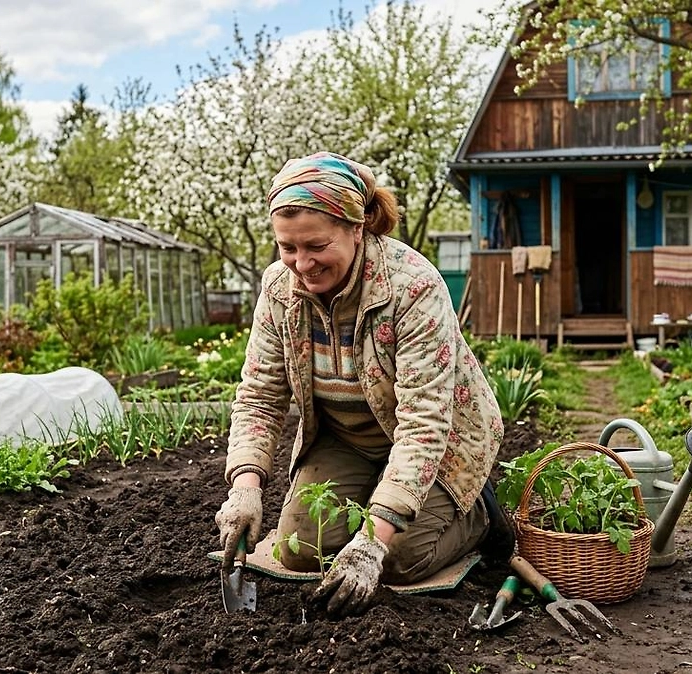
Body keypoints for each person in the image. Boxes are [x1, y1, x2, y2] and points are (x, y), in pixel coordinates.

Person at [215, 151, 512, 617]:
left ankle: (475, 515)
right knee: (299, 549)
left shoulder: (412, 287)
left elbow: (424, 424)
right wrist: (246, 486)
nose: (302, 264)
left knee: (396, 559)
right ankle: (382, 494)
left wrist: (372, 540)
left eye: (316, 245)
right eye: (287, 247)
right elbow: (259, 397)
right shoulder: (278, 291)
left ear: (356, 229)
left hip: (441, 442)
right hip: (348, 438)